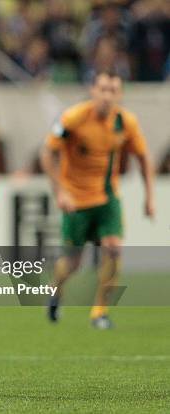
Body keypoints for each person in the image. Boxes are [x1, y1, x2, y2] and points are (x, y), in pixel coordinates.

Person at [41, 70, 155, 329]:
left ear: (120, 94)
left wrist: (149, 198)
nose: (108, 96)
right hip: (76, 202)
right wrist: (61, 192)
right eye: (103, 89)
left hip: (107, 199)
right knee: (72, 263)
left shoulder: (126, 122)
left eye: (113, 90)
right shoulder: (73, 118)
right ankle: (55, 291)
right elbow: (47, 153)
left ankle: (100, 312)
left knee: (113, 249)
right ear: (93, 91)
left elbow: (144, 158)